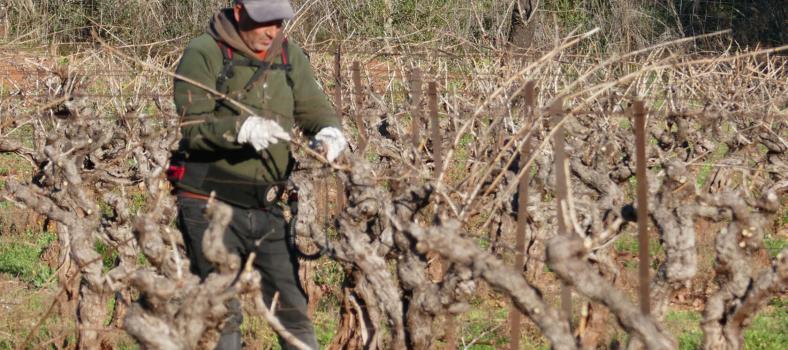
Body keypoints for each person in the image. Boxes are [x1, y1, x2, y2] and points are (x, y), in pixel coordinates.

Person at [168, 0, 346, 348]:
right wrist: (241, 129)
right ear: (238, 12)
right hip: (209, 203)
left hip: (266, 205)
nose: (272, 30)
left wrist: (328, 130)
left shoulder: (288, 55)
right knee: (222, 314)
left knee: (293, 309)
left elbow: (312, 107)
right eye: (264, 21)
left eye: (279, 22)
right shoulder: (203, 53)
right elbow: (192, 126)